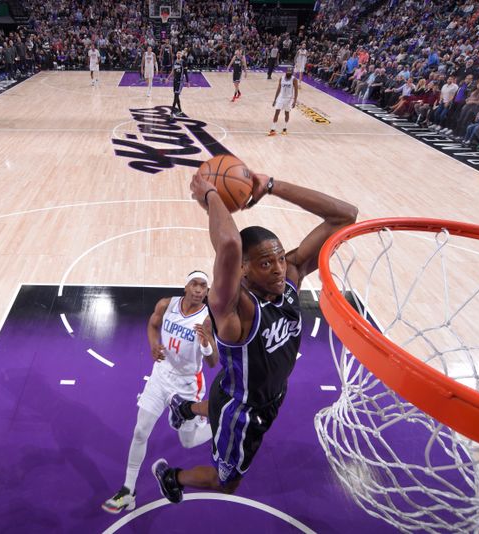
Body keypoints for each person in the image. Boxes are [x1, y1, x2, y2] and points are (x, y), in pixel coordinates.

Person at [153, 166, 358, 502]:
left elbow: (344, 216)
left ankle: (185, 409)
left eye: (279, 258)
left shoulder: (289, 278)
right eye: (265, 263)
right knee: (227, 481)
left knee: (218, 400)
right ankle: (172, 477)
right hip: (244, 410)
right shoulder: (235, 312)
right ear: (243, 269)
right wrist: (210, 195)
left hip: (247, 388)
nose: (278, 268)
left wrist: (272, 185)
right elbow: (230, 244)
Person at [102, 272, 217, 514]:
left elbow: (213, 362)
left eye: (203, 286)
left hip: (187, 385)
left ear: (207, 291)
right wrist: (154, 344)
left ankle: (217, 424)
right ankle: (128, 490)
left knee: (187, 442)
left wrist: (206, 343)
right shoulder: (167, 304)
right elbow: (153, 325)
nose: (198, 290)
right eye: (194, 284)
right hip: (160, 376)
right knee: (140, 430)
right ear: (185, 286)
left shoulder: (207, 319)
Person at [268, 66, 298, 136]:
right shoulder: (281, 78)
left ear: (292, 73)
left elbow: (296, 91)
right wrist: (275, 99)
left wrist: (294, 101)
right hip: (281, 98)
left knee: (286, 113)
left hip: (289, 99)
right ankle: (273, 129)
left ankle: (285, 128)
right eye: (288, 72)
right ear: (286, 72)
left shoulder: (294, 80)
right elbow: (278, 89)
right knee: (277, 112)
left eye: (290, 72)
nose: (289, 73)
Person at [170, 51, 188, 116]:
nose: (179, 54)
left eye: (180, 54)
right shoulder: (174, 62)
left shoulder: (183, 62)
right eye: (178, 53)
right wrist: (168, 78)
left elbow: (185, 73)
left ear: (181, 55)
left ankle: (172, 111)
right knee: (176, 96)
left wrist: (187, 82)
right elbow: (173, 71)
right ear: (176, 54)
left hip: (180, 82)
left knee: (175, 96)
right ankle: (180, 111)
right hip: (175, 81)